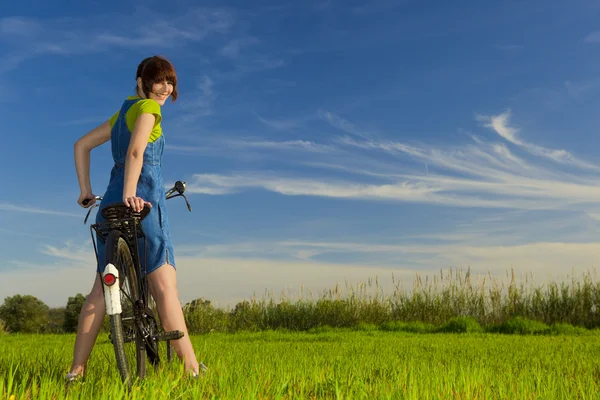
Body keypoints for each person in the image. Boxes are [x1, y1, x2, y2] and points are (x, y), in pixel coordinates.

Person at [67, 55, 206, 382]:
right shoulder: (148, 109)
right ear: (141, 81)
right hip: (143, 201)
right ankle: (192, 371)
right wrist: (133, 193)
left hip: (109, 204)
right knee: (164, 286)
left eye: (170, 81)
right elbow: (136, 153)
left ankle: (76, 371)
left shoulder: (120, 115)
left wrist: (85, 189)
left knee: (101, 289)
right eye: (159, 80)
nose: (165, 88)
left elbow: (81, 145)